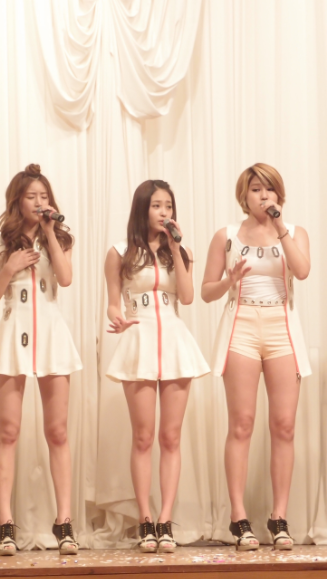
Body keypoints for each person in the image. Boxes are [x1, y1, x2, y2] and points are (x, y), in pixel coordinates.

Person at [202, 163, 311, 551]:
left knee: (284, 425)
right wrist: (229, 281)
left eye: (270, 189)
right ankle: (238, 516)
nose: (263, 196)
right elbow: (206, 291)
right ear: (243, 196)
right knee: (242, 423)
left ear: (279, 194)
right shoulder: (226, 235)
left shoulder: (294, 231)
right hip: (242, 323)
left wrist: (280, 228)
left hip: (282, 325)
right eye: (255, 189)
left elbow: (303, 270)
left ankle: (279, 517)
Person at [0, 164, 82, 556]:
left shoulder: (62, 238)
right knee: (8, 430)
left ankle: (64, 520)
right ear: (17, 201)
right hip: (13, 332)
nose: (39, 202)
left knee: (58, 431)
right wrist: (8, 269)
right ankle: (5, 522)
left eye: (44, 196)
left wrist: (51, 234)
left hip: (51, 333)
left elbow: (66, 279)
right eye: (31, 196)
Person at [104, 180, 209, 553]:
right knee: (143, 436)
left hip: (175, 340)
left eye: (168, 206)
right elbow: (113, 303)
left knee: (171, 437)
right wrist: (116, 318)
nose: (164, 212)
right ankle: (145, 519)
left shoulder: (180, 251)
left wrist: (177, 249)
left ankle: (165, 519)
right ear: (142, 209)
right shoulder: (120, 252)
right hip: (139, 338)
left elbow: (187, 296)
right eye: (157, 206)